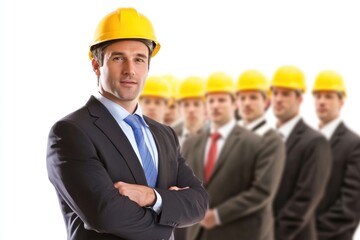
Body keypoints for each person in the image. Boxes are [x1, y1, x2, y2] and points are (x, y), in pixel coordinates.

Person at [46, 7, 208, 240]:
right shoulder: (71, 132)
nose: (130, 70)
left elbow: (199, 203)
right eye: (118, 58)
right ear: (96, 65)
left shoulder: (164, 134)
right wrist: (171, 217)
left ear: (148, 66)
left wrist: (152, 197)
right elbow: (105, 215)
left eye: (139, 59)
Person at [182, 72, 280, 240]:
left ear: (234, 104)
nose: (215, 106)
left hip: (237, 232)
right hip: (197, 233)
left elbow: (262, 191)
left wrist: (218, 215)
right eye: (211, 101)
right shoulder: (191, 143)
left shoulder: (255, 143)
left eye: (222, 100)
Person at [270, 65, 332, 240]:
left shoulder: (315, 142)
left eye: (286, 94)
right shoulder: (267, 141)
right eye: (275, 93)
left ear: (300, 99)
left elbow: (305, 199)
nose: (278, 99)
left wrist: (272, 235)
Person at [235, 69, 286, 239]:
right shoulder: (227, 137)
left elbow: (261, 193)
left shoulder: (272, 141)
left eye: (254, 97)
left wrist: (217, 214)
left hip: (253, 230)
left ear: (266, 102)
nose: (247, 103)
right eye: (242, 98)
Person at [312, 70, 360, 240]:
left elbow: (351, 204)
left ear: (341, 101)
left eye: (329, 96)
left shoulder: (354, 144)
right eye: (318, 97)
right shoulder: (309, 143)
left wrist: (313, 233)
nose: (322, 102)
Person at [172, 76, 208, 147]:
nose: (191, 110)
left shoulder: (214, 138)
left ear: (205, 108)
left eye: (196, 104)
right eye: (186, 105)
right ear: (179, 109)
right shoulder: (170, 137)